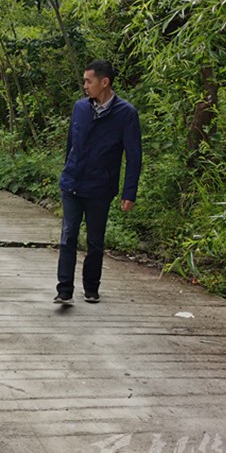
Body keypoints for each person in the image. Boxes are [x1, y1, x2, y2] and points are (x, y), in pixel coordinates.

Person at [54, 59, 142, 306]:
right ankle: (64, 289)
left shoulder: (126, 114)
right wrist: (68, 169)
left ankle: (91, 288)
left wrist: (129, 192)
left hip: (100, 187)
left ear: (104, 82)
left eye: (88, 81)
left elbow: (134, 156)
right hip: (72, 182)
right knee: (68, 235)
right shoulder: (80, 108)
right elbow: (71, 144)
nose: (85, 86)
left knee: (95, 240)